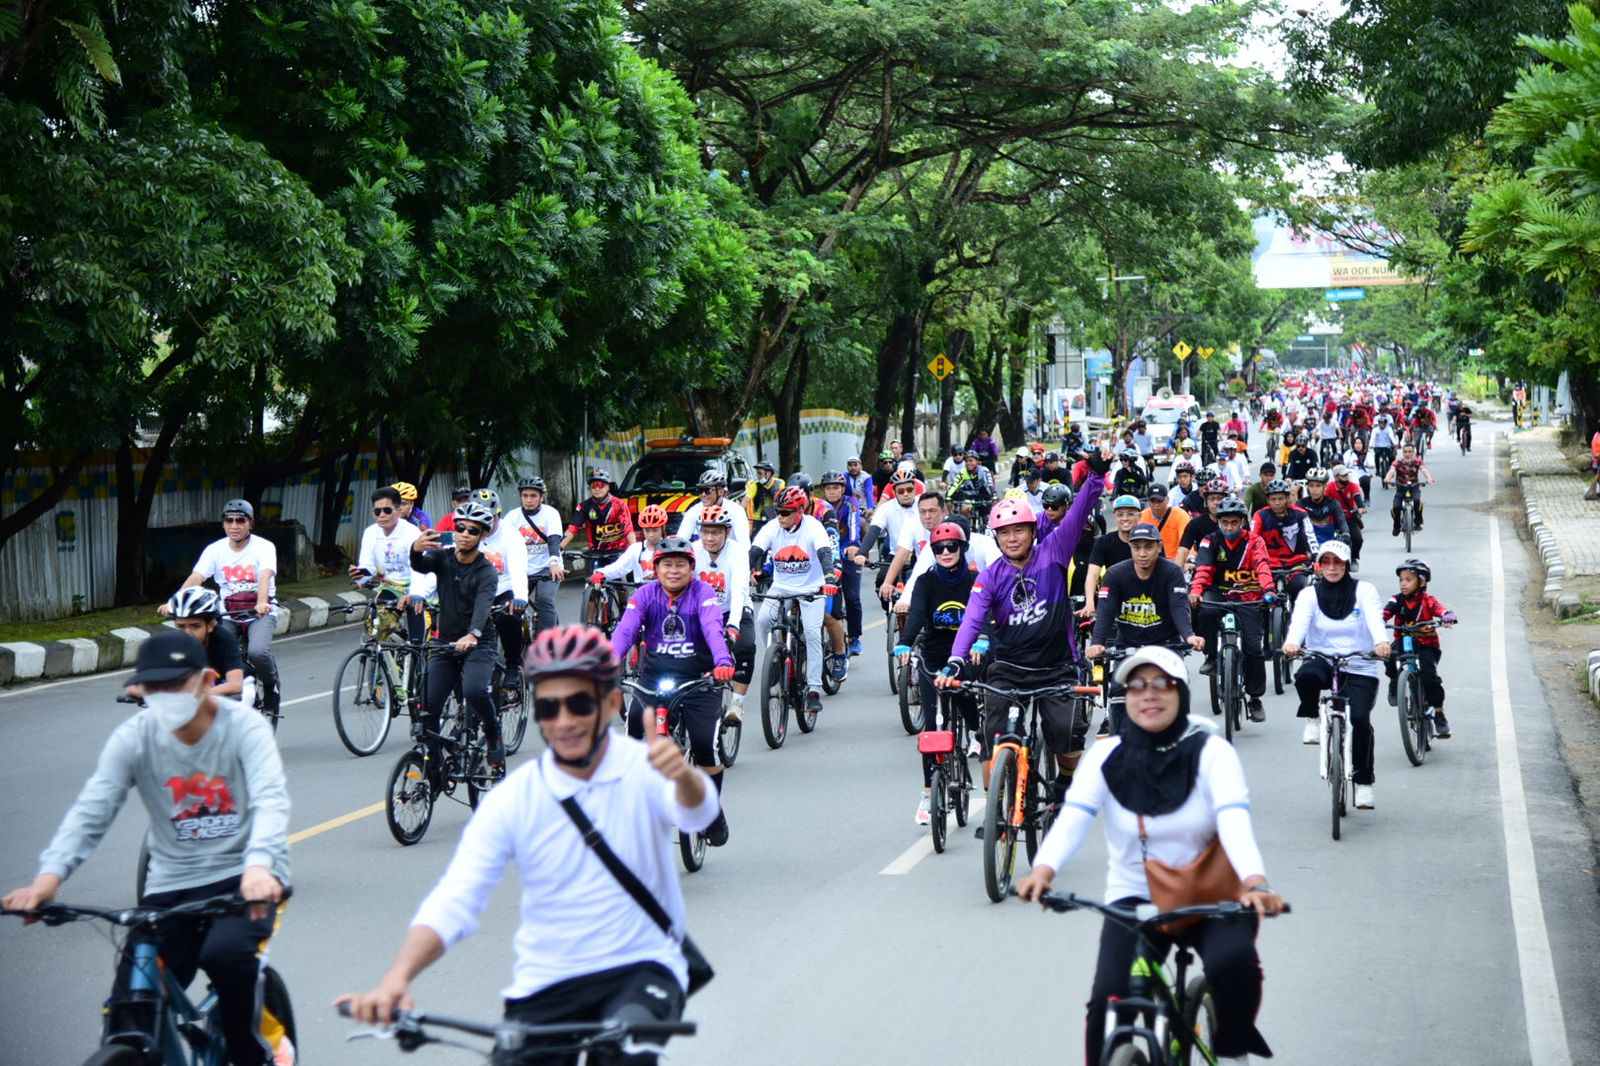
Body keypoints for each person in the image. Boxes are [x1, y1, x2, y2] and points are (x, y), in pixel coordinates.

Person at [337, 625, 715, 1063]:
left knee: (625, 1052)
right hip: (548, 983)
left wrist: (684, 776)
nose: (564, 721)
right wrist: (396, 979)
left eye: (578, 703)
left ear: (611, 704)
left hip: (641, 969)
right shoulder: (515, 798)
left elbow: (699, 814)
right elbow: (456, 899)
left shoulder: (642, 767)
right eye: (550, 708)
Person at [6, 630, 292, 1066]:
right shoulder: (134, 738)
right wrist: (47, 881)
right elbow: (92, 810)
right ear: (139, 690)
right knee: (129, 1005)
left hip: (245, 880)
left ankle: (258, 1052)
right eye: (155, 687)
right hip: (170, 886)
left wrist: (258, 868)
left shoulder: (245, 727)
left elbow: (271, 800)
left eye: (176, 685)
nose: (166, 697)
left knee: (225, 957)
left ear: (207, 679)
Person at [1014, 645, 1284, 1066]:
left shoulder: (1212, 753)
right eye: (1137, 686)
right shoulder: (1105, 756)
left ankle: (1230, 1047)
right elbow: (1075, 817)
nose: (1149, 695)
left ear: (1181, 692)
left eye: (1162, 684)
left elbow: (1234, 821)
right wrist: (1043, 871)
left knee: (1234, 968)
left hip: (1213, 898)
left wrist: (1254, 881)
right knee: (1105, 1002)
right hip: (1135, 899)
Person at [938, 444, 1111, 793]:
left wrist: (1094, 475)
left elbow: (1079, 511)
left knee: (1064, 734)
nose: (1012, 538)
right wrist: (956, 660)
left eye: (1019, 530)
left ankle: (1063, 784)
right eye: (1004, 533)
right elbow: (972, 619)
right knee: (992, 735)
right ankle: (998, 810)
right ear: (996, 537)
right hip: (1009, 668)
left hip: (1055, 666)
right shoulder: (990, 576)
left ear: (1034, 531)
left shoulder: (1055, 551)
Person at [610, 536, 737, 845]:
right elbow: (625, 630)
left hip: (699, 679)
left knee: (706, 745)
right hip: (653, 680)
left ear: (692, 568)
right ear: (656, 568)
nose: (674, 571)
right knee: (636, 744)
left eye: (681, 564)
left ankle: (711, 811)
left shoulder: (703, 593)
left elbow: (711, 627)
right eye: (667, 564)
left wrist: (722, 660)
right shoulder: (644, 595)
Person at [1283, 539, 1390, 809]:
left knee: (1361, 720)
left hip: (1360, 663)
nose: (1331, 568)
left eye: (1337, 562)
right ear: (1319, 566)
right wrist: (1292, 642)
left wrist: (1381, 641)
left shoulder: (1364, 590)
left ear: (1346, 564)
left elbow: (1375, 620)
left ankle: (1364, 783)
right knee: (1305, 677)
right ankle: (1312, 717)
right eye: (1326, 562)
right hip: (1322, 658)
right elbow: (1299, 623)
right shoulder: (1309, 594)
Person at [161, 499, 280, 724]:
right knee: (211, 648)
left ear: (250, 523)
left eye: (240, 520)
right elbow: (197, 577)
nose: (234, 525)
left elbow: (265, 575)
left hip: (259, 613)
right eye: (229, 520)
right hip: (227, 613)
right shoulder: (214, 549)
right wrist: (173, 602)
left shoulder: (264, 547)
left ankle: (271, 688)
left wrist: (262, 602)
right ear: (224, 523)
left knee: (257, 652)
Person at [897, 521, 985, 823]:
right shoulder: (925, 581)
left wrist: (983, 640)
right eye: (939, 549)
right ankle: (926, 792)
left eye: (952, 547)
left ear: (962, 549)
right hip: (933, 655)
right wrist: (904, 643)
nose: (946, 552)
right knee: (932, 728)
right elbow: (918, 614)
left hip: (966, 653)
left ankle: (975, 731)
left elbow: (984, 613)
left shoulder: (976, 579)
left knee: (963, 697)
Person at [410, 501, 504, 774]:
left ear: (482, 535)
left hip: (478, 644)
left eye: (472, 530)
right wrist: (414, 550)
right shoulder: (443, 558)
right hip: (446, 643)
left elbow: (483, 605)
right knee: (427, 703)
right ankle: (435, 761)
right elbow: (420, 566)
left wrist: (473, 634)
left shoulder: (486, 571)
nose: (464, 533)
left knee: (474, 690)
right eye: (459, 527)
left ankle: (492, 730)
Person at [750, 487, 838, 719]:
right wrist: (750, 569)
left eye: (786, 512)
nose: (781, 516)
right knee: (763, 620)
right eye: (778, 511)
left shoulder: (813, 527)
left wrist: (828, 577)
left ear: (800, 511)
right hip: (781, 587)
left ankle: (814, 688)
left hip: (812, 589)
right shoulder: (773, 527)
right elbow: (756, 549)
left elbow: (824, 552)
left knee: (811, 633)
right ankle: (776, 658)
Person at [1189, 495, 1274, 722]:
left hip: (1248, 594)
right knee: (1204, 611)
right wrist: (1196, 591)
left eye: (1234, 522)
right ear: (1218, 522)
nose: (1229, 527)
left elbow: (1263, 566)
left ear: (1242, 522)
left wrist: (1268, 590)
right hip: (1218, 592)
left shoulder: (1254, 542)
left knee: (1253, 648)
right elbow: (1204, 569)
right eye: (1224, 522)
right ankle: (1211, 657)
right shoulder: (1209, 541)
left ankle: (1255, 698)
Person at [1383, 558, 1458, 738]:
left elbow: (1441, 610)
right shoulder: (1396, 600)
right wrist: (1377, 620)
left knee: (1429, 677)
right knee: (1388, 655)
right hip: (1403, 641)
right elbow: (1384, 613)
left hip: (1426, 645)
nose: (1403, 584)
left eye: (1408, 580)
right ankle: (1395, 682)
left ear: (1421, 582)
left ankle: (1438, 713)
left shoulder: (1428, 601)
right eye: (1401, 580)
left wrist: (1447, 616)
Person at [693, 506, 755, 722]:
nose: (709, 538)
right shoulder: (692, 551)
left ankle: (737, 703)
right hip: (705, 612)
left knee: (745, 647)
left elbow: (739, 590)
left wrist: (734, 625)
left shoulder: (737, 552)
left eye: (716, 532)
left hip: (733, 609)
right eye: (705, 532)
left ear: (726, 533)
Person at [144, 587, 248, 702]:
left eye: (195, 626)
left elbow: (235, 685)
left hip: (231, 683)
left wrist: (197, 694)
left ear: (211, 625)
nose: (187, 633)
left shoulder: (224, 639)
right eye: (181, 626)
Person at [352, 486, 428, 643]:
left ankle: (415, 654)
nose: (382, 515)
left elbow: (420, 569)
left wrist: (414, 594)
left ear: (399, 510)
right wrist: (360, 575)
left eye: (387, 510)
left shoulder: (412, 533)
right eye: (377, 511)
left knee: (416, 641)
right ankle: (390, 648)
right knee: (375, 629)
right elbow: (368, 566)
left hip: (416, 585)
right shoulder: (370, 533)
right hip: (391, 587)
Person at [474, 488, 532, 680]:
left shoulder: (511, 535)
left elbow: (518, 569)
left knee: (509, 618)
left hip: (503, 588)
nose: (484, 524)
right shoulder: (466, 533)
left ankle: (513, 665)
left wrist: (520, 598)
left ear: (498, 514)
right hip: (474, 592)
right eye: (478, 518)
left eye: (489, 518)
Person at [509, 477, 566, 636]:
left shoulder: (551, 513)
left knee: (544, 601)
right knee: (511, 606)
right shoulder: (512, 517)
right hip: (522, 570)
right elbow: (504, 545)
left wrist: (554, 561)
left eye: (533, 496)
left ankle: (546, 644)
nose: (529, 500)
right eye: (525, 495)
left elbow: (554, 540)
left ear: (541, 497)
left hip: (547, 567)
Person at [820, 471, 866, 656]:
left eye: (836, 487)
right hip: (827, 556)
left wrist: (854, 545)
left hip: (848, 554)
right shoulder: (820, 507)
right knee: (830, 602)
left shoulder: (850, 503)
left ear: (843, 489)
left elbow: (854, 525)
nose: (832, 492)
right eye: (828, 488)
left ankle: (854, 638)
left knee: (853, 597)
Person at [1250, 479, 1317, 602]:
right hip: (1269, 566)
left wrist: (1316, 558)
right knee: (1259, 599)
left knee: (1302, 592)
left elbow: (1311, 538)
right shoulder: (1259, 515)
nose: (1277, 503)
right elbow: (1251, 541)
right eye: (1273, 499)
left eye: (1280, 499)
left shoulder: (1301, 514)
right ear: (1267, 500)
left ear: (1287, 499)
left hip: (1296, 565)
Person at [1080, 494, 1143, 617]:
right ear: (1114, 517)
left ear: (1139, 516)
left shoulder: (1148, 540)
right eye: (1120, 514)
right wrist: (1089, 602)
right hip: (1115, 598)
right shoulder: (1104, 542)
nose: (1125, 518)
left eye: (1130, 514)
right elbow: (1092, 574)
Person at [562, 469, 636, 564]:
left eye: (601, 485)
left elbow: (628, 530)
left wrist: (634, 550)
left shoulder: (620, 504)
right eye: (593, 486)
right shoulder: (584, 506)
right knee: (592, 578)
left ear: (608, 487)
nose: (597, 489)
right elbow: (572, 529)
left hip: (618, 552)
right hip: (595, 553)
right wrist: (558, 548)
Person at [594, 504, 669, 585]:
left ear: (663, 528)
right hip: (642, 595)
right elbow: (619, 567)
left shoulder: (671, 548)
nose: (651, 534)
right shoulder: (636, 549)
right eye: (647, 530)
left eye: (655, 530)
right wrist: (601, 573)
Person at [679, 469, 752, 546]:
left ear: (720, 491)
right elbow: (681, 539)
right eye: (700, 490)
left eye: (707, 490)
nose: (703, 494)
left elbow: (744, 544)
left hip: (730, 554)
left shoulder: (736, 511)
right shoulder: (693, 511)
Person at [1382, 443, 1435, 536]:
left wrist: (1429, 478)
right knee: (1396, 507)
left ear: (1414, 452)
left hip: (1414, 487)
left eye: (1410, 452)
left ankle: (1418, 521)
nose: (1408, 454)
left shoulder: (1417, 461)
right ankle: (1396, 526)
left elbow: (1424, 470)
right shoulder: (1398, 462)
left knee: (1417, 500)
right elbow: (1391, 470)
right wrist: (1387, 479)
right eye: (1405, 452)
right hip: (1400, 488)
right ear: (1402, 453)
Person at [1177, 478, 1228, 572]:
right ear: (1206, 502)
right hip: (1204, 569)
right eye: (1212, 499)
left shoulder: (1237, 521)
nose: (1216, 502)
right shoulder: (1195, 524)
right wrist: (1176, 576)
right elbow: (1183, 550)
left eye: (1220, 499)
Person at [1326, 466, 1367, 568]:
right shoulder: (1330, 487)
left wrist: (1361, 507)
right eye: (1343, 476)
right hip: (1333, 519)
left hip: (1349, 517)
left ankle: (1353, 558)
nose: (1346, 477)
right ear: (1336, 477)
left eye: (1347, 475)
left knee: (1358, 539)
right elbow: (1325, 500)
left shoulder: (1352, 486)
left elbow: (1358, 499)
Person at [1299, 469, 1349, 547]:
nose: (1314, 489)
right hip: (1308, 546)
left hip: (1330, 545)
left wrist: (1345, 533)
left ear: (1325, 486)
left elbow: (1342, 522)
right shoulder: (1301, 504)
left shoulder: (1333, 504)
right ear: (1307, 487)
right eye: (1311, 485)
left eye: (1318, 485)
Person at [1139, 483, 1188, 562]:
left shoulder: (1180, 515)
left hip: (1175, 560)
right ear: (1148, 501)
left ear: (1167, 500)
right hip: (1150, 561)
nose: (1156, 504)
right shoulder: (1142, 516)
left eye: (1159, 501)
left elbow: (1186, 543)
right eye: (1152, 501)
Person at [1370, 414, 1397, 481]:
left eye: (1383, 423)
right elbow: (1372, 438)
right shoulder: (1375, 430)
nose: (1382, 425)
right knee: (1376, 457)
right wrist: (1370, 445)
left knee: (1392, 457)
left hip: (1387, 446)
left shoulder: (1389, 429)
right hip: (1378, 447)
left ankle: (1392, 469)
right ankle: (1378, 470)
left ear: (1386, 423)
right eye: (1380, 423)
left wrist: (1395, 443)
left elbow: (1392, 437)